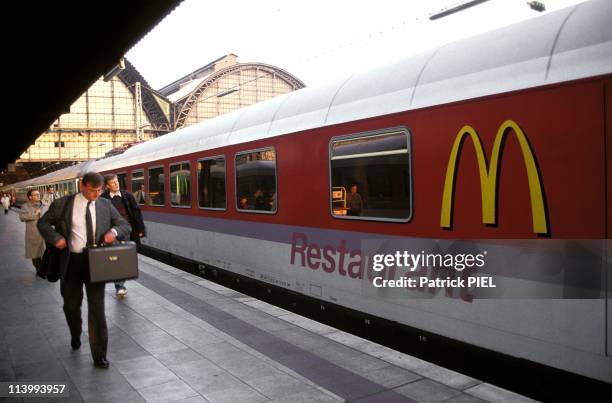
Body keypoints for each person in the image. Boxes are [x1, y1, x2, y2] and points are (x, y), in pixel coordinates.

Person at [38, 172, 130, 369]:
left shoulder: (105, 205)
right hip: (71, 262)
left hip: (96, 261)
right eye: (92, 190)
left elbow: (124, 225)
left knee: (97, 309)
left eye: (100, 190)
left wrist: (113, 232)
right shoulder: (63, 204)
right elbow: (43, 223)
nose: (97, 194)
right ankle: (75, 334)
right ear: (82, 186)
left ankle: (99, 354)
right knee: (71, 306)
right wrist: (56, 239)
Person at [100, 174, 146, 297]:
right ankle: (120, 286)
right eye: (113, 183)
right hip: (112, 233)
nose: (116, 184)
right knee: (116, 259)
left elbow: (136, 212)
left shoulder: (127, 196)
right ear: (107, 186)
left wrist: (140, 229)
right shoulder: (103, 199)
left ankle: (120, 284)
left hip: (127, 231)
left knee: (124, 259)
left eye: (117, 182)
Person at [19, 189, 46, 276]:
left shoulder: (44, 205)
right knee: (35, 255)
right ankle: (39, 270)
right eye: (36, 195)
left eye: (39, 194)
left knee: (46, 253)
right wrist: (35, 214)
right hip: (33, 233)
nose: (38, 196)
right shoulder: (25, 206)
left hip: (45, 233)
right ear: (30, 197)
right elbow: (22, 218)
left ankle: (45, 269)